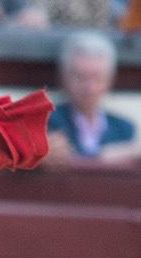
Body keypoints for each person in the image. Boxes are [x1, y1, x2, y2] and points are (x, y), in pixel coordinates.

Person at [46, 31, 137, 162]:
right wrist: (115, 153)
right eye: (81, 77)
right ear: (63, 78)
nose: (89, 88)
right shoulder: (46, 121)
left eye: (97, 78)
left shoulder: (124, 128)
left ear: (110, 80)